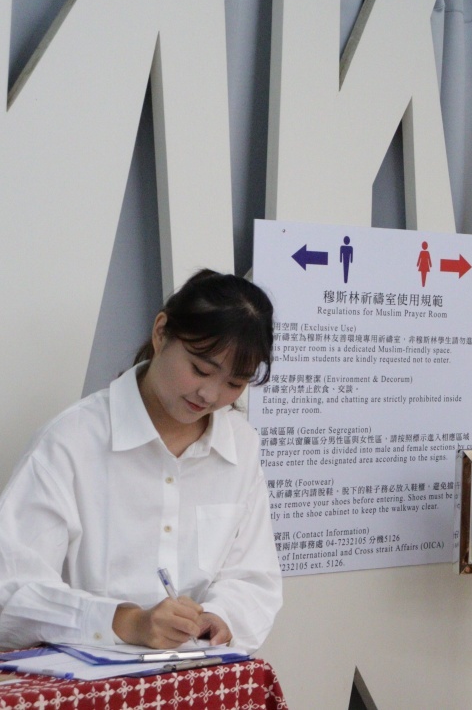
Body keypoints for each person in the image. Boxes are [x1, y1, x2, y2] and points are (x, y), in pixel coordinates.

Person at [0, 269, 283, 653]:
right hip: (89, 690)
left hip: (196, 684)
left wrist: (221, 616)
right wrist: (125, 621)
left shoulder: (241, 446)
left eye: (235, 383)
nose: (210, 394)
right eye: (200, 369)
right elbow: (10, 592)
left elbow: (255, 579)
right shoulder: (73, 441)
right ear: (161, 332)